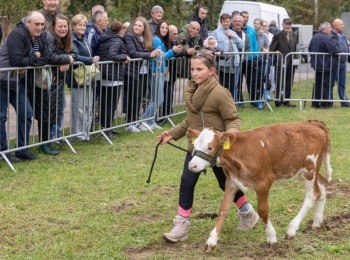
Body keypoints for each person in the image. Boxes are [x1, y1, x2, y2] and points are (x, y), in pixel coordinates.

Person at [159, 52, 259, 243]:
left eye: (199, 69)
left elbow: (233, 119)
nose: (194, 73)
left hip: (218, 150)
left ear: (211, 71)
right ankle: (181, 224)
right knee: (187, 181)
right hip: (197, 148)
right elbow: (190, 121)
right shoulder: (191, 91)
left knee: (225, 183)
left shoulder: (220, 93)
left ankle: (248, 213)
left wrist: (229, 138)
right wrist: (171, 134)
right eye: (192, 69)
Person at [0, 11, 47, 162]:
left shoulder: (37, 38)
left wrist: (34, 59)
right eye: (36, 24)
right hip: (2, 80)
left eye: (42, 24)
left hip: (17, 82)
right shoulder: (18, 35)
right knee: (1, 117)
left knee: (26, 113)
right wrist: (35, 57)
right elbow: (16, 61)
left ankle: (22, 149)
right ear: (27, 24)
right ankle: (3, 152)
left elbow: (44, 58)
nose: (39, 27)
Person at [32, 13, 76, 155]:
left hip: (58, 82)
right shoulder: (48, 37)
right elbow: (50, 57)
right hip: (47, 82)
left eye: (65, 26)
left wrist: (68, 59)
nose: (63, 29)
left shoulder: (67, 38)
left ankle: (47, 142)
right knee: (45, 114)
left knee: (53, 112)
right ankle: (44, 144)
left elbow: (74, 52)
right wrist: (66, 58)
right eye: (60, 26)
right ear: (54, 26)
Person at [141, 20, 182, 130]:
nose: (165, 30)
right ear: (158, 28)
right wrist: (172, 51)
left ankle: (150, 121)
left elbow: (163, 57)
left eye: (166, 28)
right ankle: (144, 121)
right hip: (155, 72)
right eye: (162, 27)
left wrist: (173, 52)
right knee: (157, 99)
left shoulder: (161, 40)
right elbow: (160, 58)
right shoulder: (156, 39)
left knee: (158, 99)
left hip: (160, 72)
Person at [123, 16, 162, 133]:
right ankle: (130, 123)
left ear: (144, 28)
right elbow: (132, 52)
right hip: (132, 72)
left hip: (144, 72)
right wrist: (150, 54)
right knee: (133, 98)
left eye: (140, 25)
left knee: (139, 98)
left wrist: (153, 53)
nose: (137, 27)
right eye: (135, 25)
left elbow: (144, 51)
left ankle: (136, 122)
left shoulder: (143, 38)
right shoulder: (129, 36)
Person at [69, 14, 100, 141]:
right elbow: (74, 56)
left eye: (84, 25)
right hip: (78, 77)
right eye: (79, 25)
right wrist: (91, 60)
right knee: (79, 106)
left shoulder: (86, 38)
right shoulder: (72, 40)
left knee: (88, 106)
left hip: (89, 76)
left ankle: (86, 131)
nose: (82, 27)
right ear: (74, 26)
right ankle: (77, 133)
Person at [99, 20, 130, 139]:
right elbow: (112, 55)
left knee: (107, 104)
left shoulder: (106, 38)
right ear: (120, 30)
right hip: (113, 76)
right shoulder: (116, 40)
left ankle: (107, 128)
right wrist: (124, 57)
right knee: (110, 105)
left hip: (107, 74)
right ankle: (106, 130)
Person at [211, 13, 244, 102]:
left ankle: (231, 103)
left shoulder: (232, 32)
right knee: (223, 84)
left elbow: (242, 45)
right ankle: (222, 103)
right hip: (222, 62)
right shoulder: (216, 33)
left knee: (233, 84)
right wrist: (217, 51)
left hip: (234, 62)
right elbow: (211, 46)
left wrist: (234, 36)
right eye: (224, 21)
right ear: (221, 22)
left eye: (228, 21)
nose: (226, 23)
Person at [309, 22, 340, 109]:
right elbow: (333, 50)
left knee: (318, 84)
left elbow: (309, 48)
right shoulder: (327, 37)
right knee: (325, 84)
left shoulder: (315, 37)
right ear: (324, 29)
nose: (330, 30)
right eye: (329, 28)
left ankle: (315, 102)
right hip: (326, 64)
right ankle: (325, 103)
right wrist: (338, 49)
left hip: (317, 64)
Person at [269, 18, 298, 107]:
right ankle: (278, 101)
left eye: (289, 24)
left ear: (291, 25)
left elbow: (295, 48)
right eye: (286, 24)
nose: (287, 26)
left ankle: (286, 100)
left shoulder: (294, 35)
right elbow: (272, 49)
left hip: (291, 62)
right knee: (280, 81)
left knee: (289, 81)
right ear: (282, 25)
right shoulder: (278, 35)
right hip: (281, 62)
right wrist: (276, 53)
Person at [240, 11, 259, 107]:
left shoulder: (251, 30)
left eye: (247, 17)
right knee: (238, 81)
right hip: (239, 60)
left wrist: (255, 57)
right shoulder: (235, 29)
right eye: (244, 16)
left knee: (251, 81)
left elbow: (255, 44)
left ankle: (254, 100)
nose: (246, 18)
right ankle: (239, 100)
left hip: (250, 59)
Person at [230, 14, 249, 106]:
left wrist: (244, 58)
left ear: (242, 23)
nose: (238, 23)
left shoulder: (245, 35)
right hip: (229, 63)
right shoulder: (228, 32)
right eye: (236, 21)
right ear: (232, 22)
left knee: (237, 83)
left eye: (240, 21)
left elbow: (247, 48)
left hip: (240, 63)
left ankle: (236, 101)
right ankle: (230, 102)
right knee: (230, 83)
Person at [331, 18, 350, 107]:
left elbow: (346, 47)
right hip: (334, 63)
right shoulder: (331, 35)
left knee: (342, 83)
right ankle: (329, 100)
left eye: (342, 24)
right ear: (335, 26)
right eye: (341, 24)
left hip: (343, 63)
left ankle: (344, 100)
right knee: (331, 83)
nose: (343, 26)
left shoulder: (343, 36)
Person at [252, 17, 270, 109]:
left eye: (258, 23)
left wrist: (265, 50)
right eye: (255, 23)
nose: (256, 25)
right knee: (254, 81)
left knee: (261, 79)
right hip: (252, 59)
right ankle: (255, 100)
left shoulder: (264, 35)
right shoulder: (251, 33)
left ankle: (261, 99)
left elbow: (268, 47)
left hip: (261, 60)